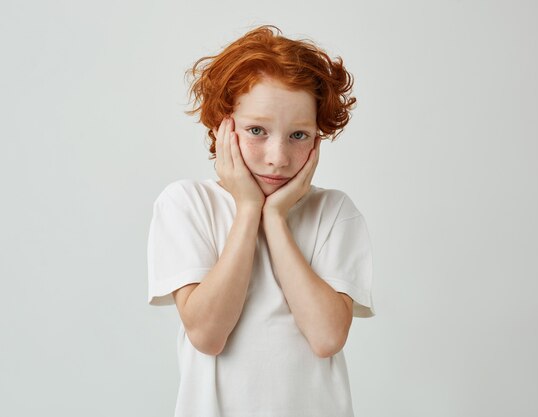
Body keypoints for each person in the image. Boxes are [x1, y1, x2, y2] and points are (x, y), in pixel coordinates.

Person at [147, 25, 375, 417]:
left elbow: (326, 338)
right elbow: (207, 335)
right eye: (257, 131)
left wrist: (275, 218)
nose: (278, 157)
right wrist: (249, 210)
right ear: (222, 126)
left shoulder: (334, 212)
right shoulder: (187, 204)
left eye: (299, 135)